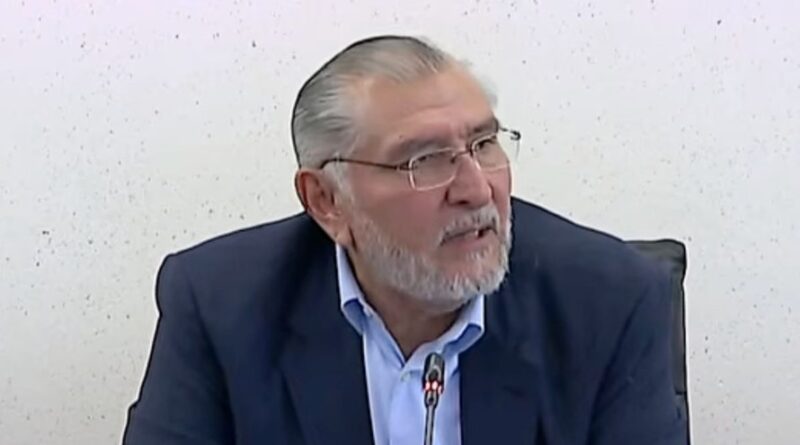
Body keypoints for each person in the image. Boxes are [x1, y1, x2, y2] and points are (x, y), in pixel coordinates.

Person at [123, 35, 687, 445]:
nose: (476, 190)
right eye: (425, 160)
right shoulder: (219, 304)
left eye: (484, 144)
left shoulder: (611, 300)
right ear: (326, 200)